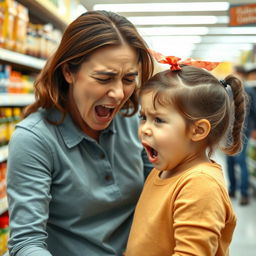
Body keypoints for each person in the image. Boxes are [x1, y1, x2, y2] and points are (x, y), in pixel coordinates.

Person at [6, 10, 154, 256]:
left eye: (129, 79)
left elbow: (160, 188)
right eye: (104, 77)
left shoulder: (135, 120)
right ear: (68, 72)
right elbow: (26, 243)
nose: (118, 93)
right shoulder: (34, 139)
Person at [125, 56, 248, 256]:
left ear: (198, 130)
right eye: (143, 117)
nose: (145, 129)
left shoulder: (200, 184)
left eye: (158, 120)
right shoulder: (162, 172)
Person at [226, 65, 256, 205]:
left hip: (237, 131)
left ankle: (240, 192)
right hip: (236, 131)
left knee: (237, 161)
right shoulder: (231, 89)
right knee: (236, 161)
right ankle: (237, 191)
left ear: (239, 73)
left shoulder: (233, 90)